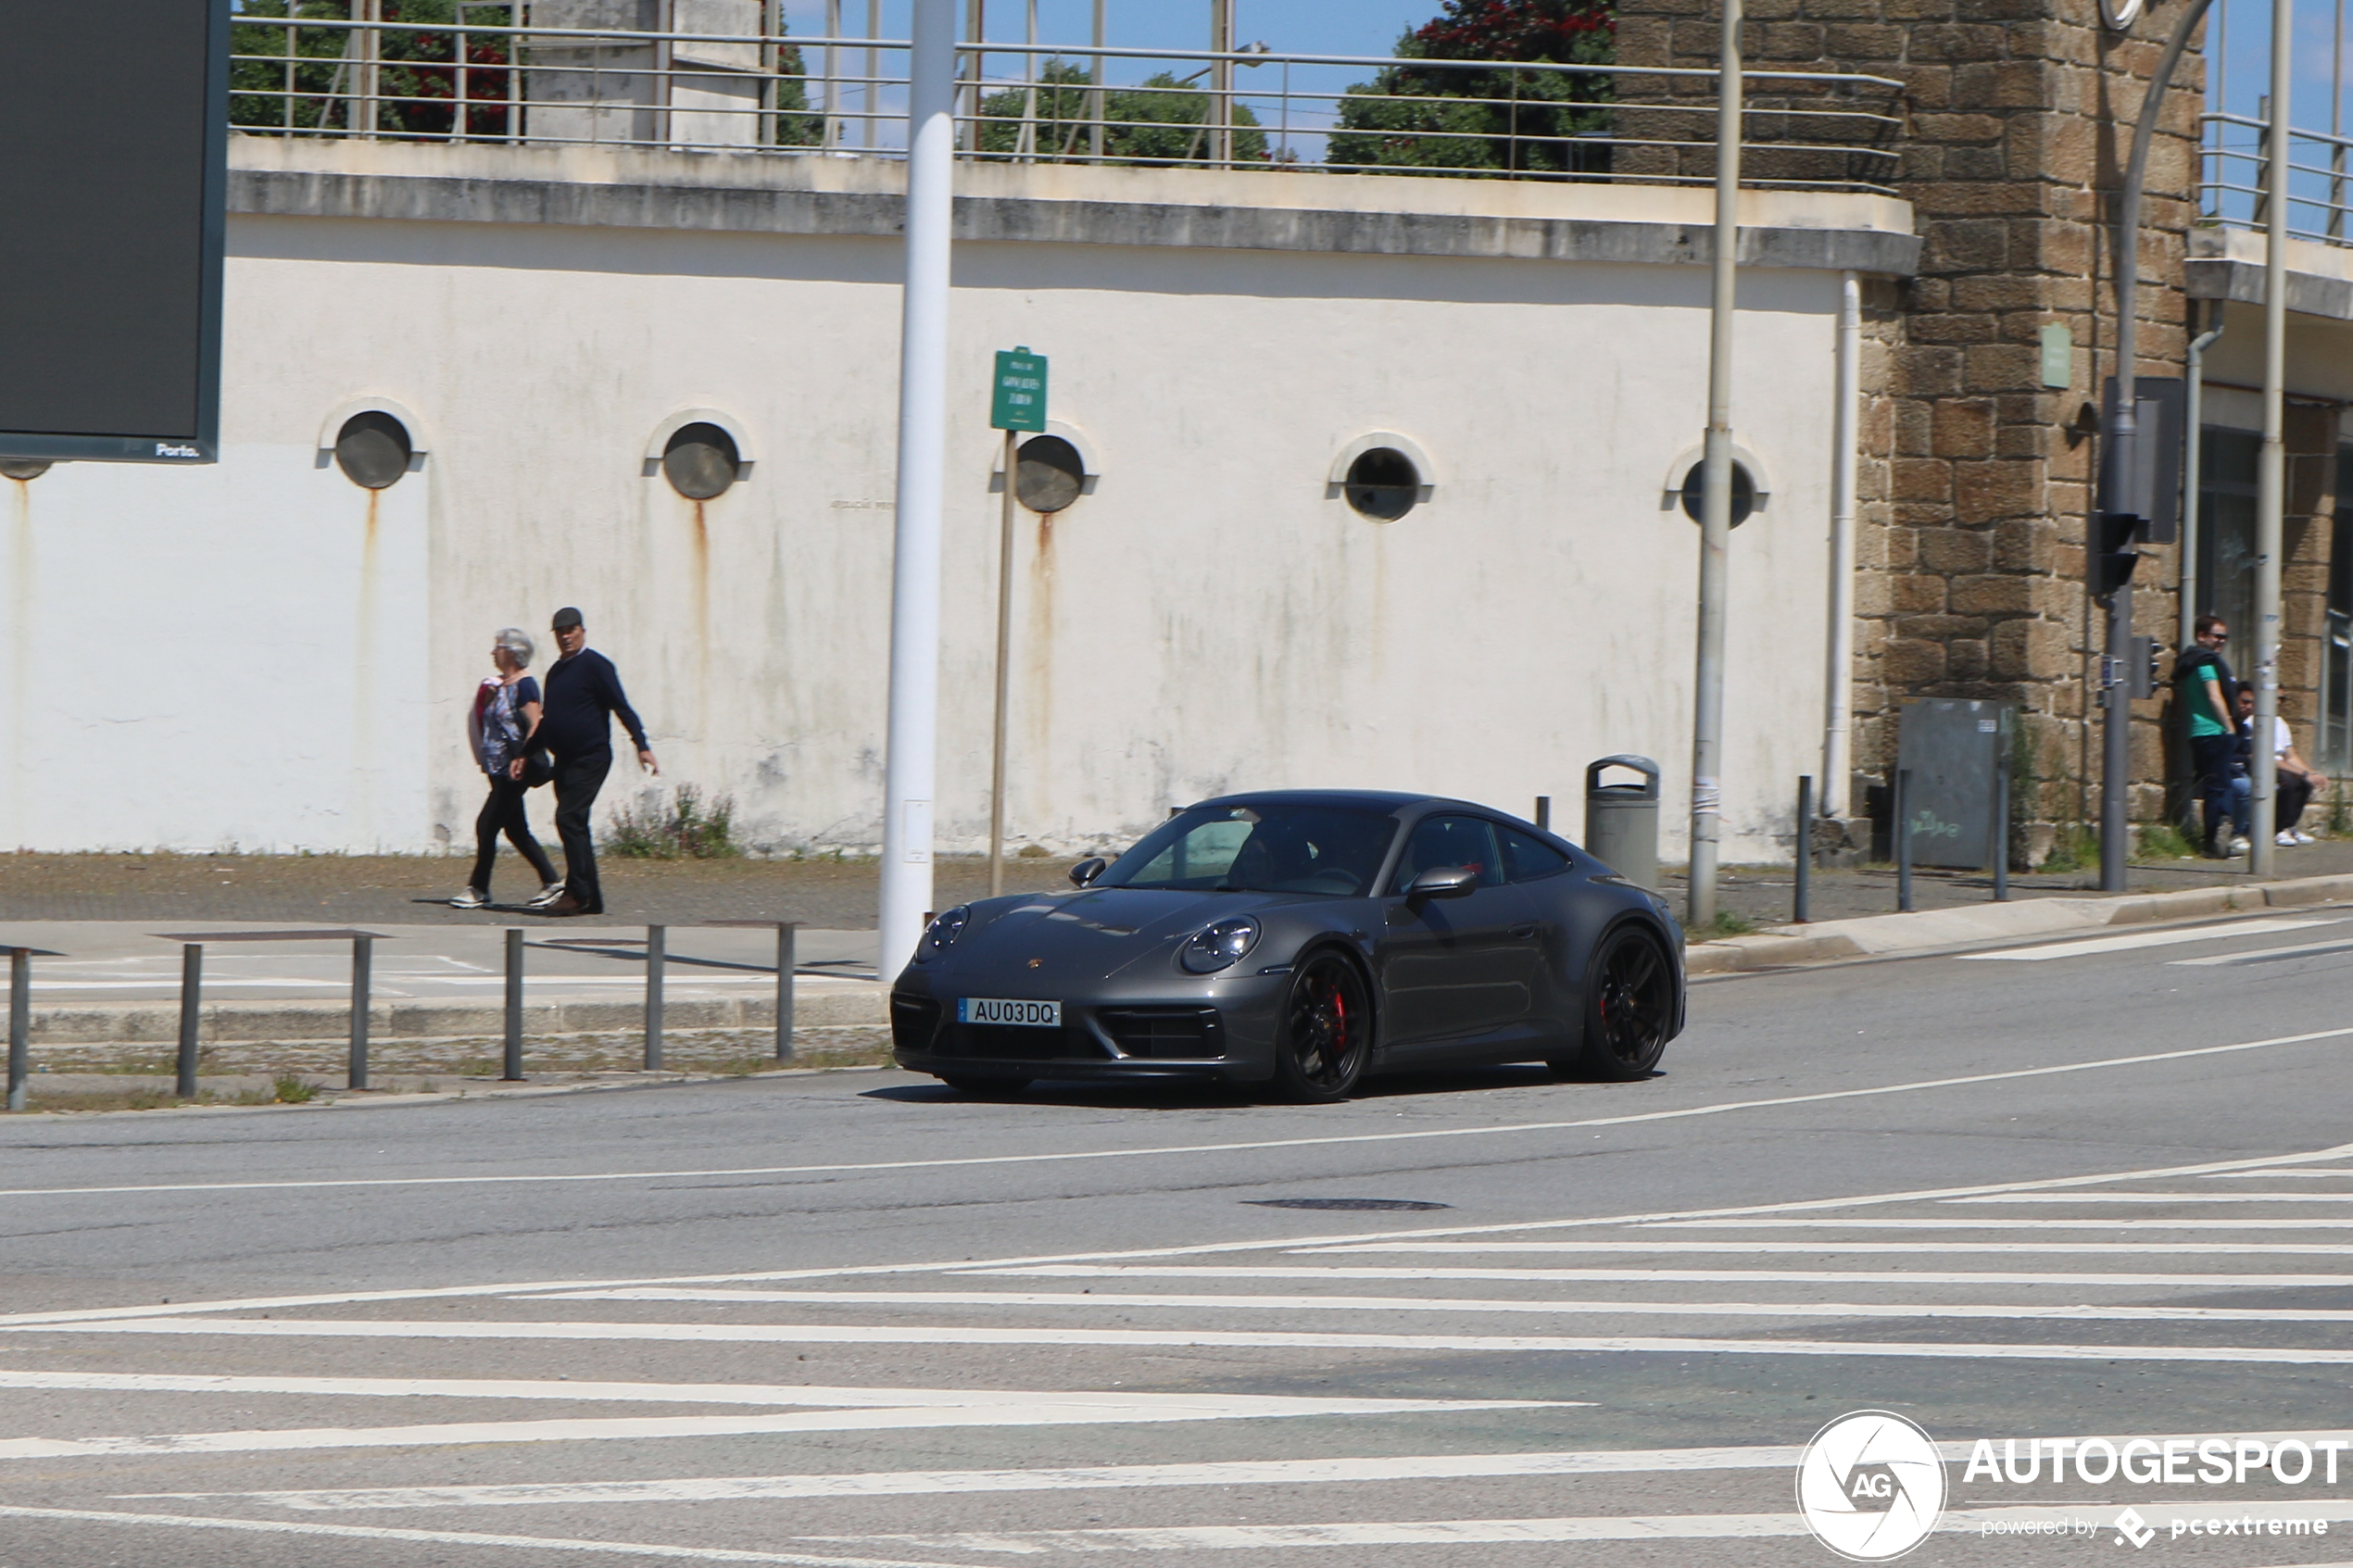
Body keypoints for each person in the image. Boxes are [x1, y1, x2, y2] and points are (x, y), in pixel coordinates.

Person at [534, 607, 657, 916]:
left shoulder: (596, 666)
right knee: (576, 825)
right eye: (560, 632)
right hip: (564, 760)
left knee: (568, 817)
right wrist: (525, 753)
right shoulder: (556, 672)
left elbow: (621, 707)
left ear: (582, 631)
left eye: (571, 630)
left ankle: (576, 893)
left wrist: (641, 745)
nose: (566, 637)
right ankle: (591, 899)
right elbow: (548, 719)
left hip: (591, 757)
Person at [451, 629, 563, 910]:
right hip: (497, 770)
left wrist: (523, 757)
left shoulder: (524, 686)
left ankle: (479, 888)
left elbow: (536, 724)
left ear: (513, 653)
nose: (493, 652)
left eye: (498, 647)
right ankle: (552, 882)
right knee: (516, 830)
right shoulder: (500, 686)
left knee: (486, 825)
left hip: (514, 771)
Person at [2175, 615, 2245, 858]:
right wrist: (2229, 726)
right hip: (2215, 731)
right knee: (2220, 786)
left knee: (2214, 785)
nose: (2221, 642)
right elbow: (2214, 697)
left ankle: (2213, 838)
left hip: (2199, 732)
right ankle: (2217, 838)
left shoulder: (2189, 662)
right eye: (2217, 636)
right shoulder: (2205, 663)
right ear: (2201, 636)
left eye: (2224, 637)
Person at [2233, 685, 2327, 847]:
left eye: (2281, 699)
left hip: (2280, 765)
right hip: (2262, 765)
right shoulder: (2253, 722)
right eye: (2275, 697)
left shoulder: (2281, 723)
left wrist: (2312, 773)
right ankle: (2276, 829)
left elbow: (2290, 755)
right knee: (2289, 783)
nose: (2277, 702)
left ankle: (2288, 826)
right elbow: (2265, 757)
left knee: (2304, 784)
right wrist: (2302, 774)